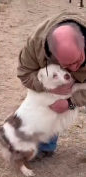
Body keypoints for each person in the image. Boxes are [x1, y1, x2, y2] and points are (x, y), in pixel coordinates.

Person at [17, 11, 86, 160]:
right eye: (67, 64)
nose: (73, 69)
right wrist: (49, 88)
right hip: (52, 77)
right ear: (52, 55)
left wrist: (71, 102)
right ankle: (45, 145)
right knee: (48, 102)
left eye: (78, 61)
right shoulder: (35, 45)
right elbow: (24, 73)